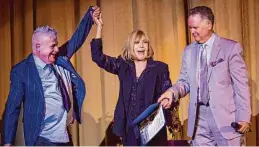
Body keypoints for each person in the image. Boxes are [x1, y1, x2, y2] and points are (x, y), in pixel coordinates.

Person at [3, 6, 100, 146]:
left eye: (57, 45)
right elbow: (13, 107)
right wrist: (7, 142)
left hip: (63, 135)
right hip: (41, 138)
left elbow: (76, 40)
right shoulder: (22, 71)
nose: (56, 49)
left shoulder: (59, 59)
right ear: (38, 47)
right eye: (53, 46)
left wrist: (90, 16)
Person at [158, 6, 251, 146]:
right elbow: (185, 81)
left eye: (195, 27)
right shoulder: (188, 51)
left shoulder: (230, 48)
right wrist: (172, 92)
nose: (192, 32)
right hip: (199, 118)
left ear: (209, 24)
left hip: (226, 117)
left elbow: (241, 85)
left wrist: (244, 116)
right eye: (190, 28)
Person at [91, 14, 172, 146]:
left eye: (144, 42)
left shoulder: (160, 68)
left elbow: (168, 92)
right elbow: (98, 57)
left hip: (153, 130)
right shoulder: (123, 65)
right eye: (137, 42)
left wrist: (167, 100)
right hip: (130, 130)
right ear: (130, 46)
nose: (141, 46)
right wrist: (99, 27)